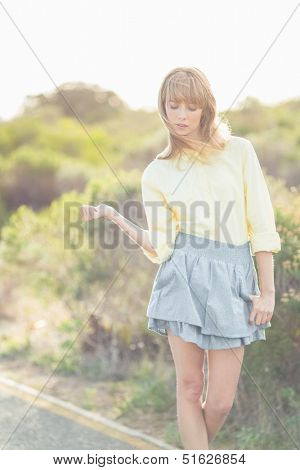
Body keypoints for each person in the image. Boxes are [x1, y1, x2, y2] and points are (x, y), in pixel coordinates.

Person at [80, 66, 281, 450]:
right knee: (190, 387)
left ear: (206, 108)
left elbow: (262, 225)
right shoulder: (157, 171)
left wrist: (267, 291)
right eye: (175, 106)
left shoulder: (239, 151)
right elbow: (160, 246)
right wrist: (114, 216)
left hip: (234, 277)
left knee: (220, 401)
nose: (183, 115)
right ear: (164, 109)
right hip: (182, 276)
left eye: (191, 106)